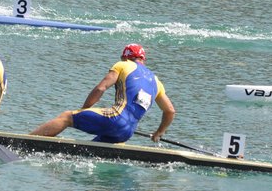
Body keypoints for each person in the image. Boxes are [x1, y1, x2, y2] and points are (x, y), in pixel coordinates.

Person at [30, 44, 175, 144]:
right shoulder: (156, 81)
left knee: (67, 117)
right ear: (143, 59)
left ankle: (25, 141)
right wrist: (158, 133)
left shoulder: (123, 65)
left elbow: (101, 88)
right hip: (127, 132)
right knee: (89, 151)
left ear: (125, 57)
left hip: (114, 117)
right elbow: (170, 111)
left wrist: (84, 110)